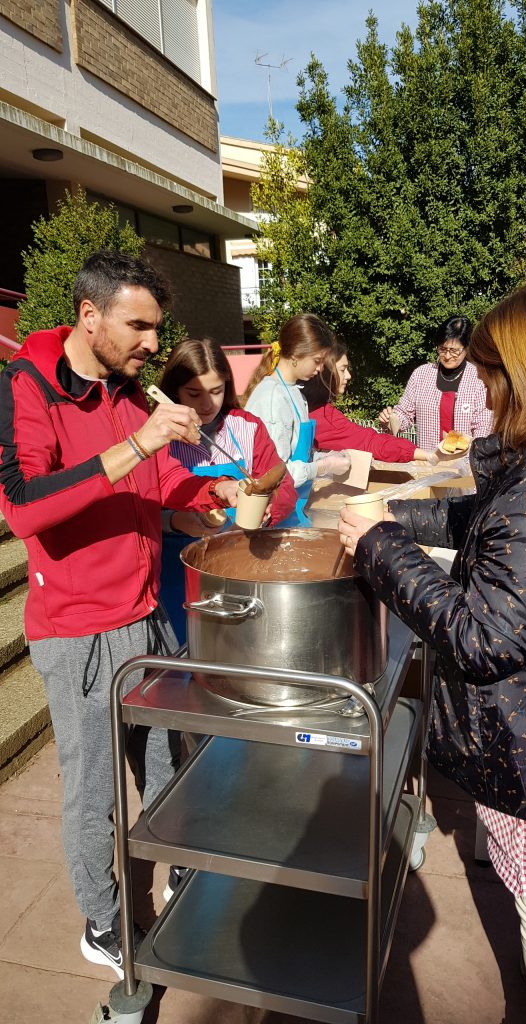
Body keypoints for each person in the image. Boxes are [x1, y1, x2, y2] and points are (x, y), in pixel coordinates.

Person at [338, 282, 526, 1024]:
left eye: (489, 373)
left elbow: (483, 637)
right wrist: (392, 515)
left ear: (522, 377)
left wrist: (380, 548)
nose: (482, 389)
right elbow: (479, 517)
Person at [0, 250, 237, 979]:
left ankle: (176, 866)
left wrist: (207, 496)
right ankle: (101, 920)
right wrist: (135, 445)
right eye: (138, 327)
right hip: (78, 630)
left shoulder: (126, 390)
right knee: (93, 789)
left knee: (167, 759)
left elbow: (160, 480)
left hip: (145, 615)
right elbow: (24, 506)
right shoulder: (26, 386)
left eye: (156, 327)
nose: (152, 343)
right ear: (89, 315)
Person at [157, 337, 298, 643]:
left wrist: (267, 511)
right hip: (177, 573)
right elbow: (145, 505)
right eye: (194, 394)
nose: (208, 404)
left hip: (241, 563)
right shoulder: (157, 438)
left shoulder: (247, 427)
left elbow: (283, 485)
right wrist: (175, 521)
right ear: (174, 391)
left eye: (217, 391)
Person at [243, 313, 351, 525]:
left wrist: (324, 457)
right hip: (274, 513)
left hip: (295, 506)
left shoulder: (295, 393)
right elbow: (276, 472)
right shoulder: (273, 399)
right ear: (295, 355)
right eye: (317, 361)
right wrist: (325, 466)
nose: (320, 369)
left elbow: (297, 454)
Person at [301, 340, 439, 464]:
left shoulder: (301, 402)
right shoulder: (325, 416)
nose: (348, 376)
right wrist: (426, 454)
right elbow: (370, 443)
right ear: (324, 371)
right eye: (343, 369)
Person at [379, 315, 493, 450]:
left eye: (454, 351)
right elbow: (404, 413)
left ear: (467, 348)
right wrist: (390, 419)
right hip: (427, 460)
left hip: (464, 461)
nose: (447, 356)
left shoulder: (478, 378)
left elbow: (483, 427)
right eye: (443, 349)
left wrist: (474, 457)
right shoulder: (421, 375)